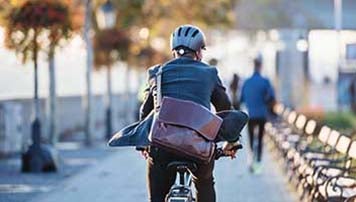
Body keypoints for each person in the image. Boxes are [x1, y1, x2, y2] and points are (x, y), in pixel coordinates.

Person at [139, 25, 236, 202]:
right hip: (198, 147)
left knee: (157, 196)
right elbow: (225, 109)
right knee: (205, 182)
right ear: (199, 52)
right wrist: (231, 142)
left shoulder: (157, 73)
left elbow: (145, 112)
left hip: (162, 147)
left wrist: (143, 144)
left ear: (174, 52)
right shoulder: (209, 73)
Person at [240, 56, 275, 174]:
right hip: (261, 114)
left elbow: (242, 99)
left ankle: (250, 160)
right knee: (260, 138)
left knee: (250, 138)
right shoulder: (265, 81)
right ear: (260, 66)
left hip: (250, 114)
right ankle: (258, 163)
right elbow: (271, 97)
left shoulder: (247, 82)